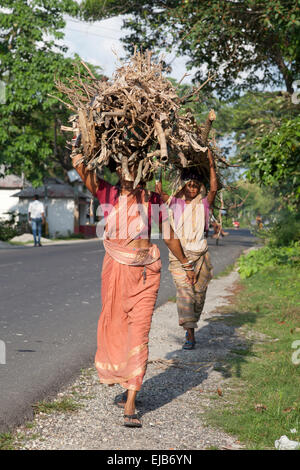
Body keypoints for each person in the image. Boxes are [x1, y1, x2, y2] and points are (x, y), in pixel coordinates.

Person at [71, 153, 195, 428]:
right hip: (116, 270)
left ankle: (130, 403)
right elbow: (80, 167)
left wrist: (186, 263)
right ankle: (124, 381)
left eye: (138, 167)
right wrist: (79, 146)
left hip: (146, 273)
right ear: (118, 169)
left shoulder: (151, 199)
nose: (133, 172)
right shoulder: (107, 192)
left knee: (140, 333)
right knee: (116, 328)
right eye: (127, 166)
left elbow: (168, 233)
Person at [155, 148, 217, 350]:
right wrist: (160, 168)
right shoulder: (174, 203)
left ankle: (192, 324)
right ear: (182, 186)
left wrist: (211, 164)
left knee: (198, 296)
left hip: (201, 256)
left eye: (196, 186)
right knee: (185, 294)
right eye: (189, 185)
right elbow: (159, 190)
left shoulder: (205, 204)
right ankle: (189, 334)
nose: (192, 188)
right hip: (179, 257)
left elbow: (214, 189)